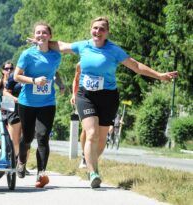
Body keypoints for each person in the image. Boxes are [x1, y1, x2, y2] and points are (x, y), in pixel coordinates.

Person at [42, 16, 177, 188]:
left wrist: (159, 75)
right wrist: (43, 40)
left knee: (102, 137)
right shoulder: (84, 45)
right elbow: (60, 46)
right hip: (86, 96)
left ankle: (89, 159)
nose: (97, 31)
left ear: (107, 32)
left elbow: (135, 66)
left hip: (108, 97)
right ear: (91, 29)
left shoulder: (114, 50)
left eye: (101, 29)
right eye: (95, 28)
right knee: (91, 133)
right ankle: (93, 172)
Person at [14, 21, 62, 188]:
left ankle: (41, 174)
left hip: (48, 102)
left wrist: (61, 84)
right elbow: (16, 76)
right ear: (34, 35)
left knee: (42, 137)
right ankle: (21, 161)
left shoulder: (56, 55)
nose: (41, 35)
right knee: (27, 137)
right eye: (38, 33)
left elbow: (54, 71)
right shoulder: (27, 54)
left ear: (50, 36)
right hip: (27, 102)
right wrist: (34, 80)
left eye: (44, 33)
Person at [70, 63, 87, 169]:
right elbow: (76, 80)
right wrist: (74, 94)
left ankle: (92, 155)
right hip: (83, 98)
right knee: (86, 129)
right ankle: (84, 156)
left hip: (99, 98)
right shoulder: (80, 64)